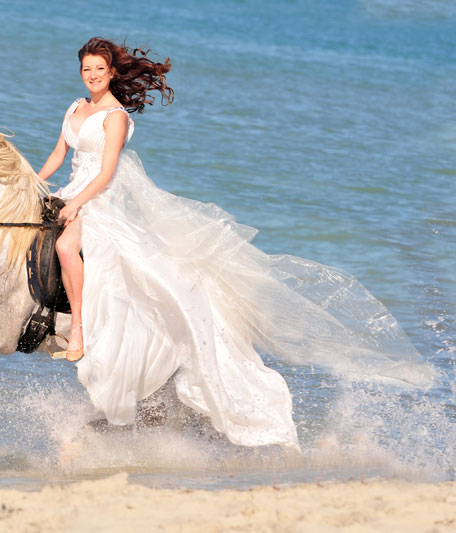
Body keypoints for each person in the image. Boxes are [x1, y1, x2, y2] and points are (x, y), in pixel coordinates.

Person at [37, 37, 433, 449]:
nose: (93, 75)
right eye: (87, 69)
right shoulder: (74, 108)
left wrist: (77, 203)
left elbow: (104, 174)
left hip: (99, 199)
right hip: (70, 189)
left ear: (112, 72)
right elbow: (57, 154)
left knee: (67, 248)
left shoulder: (114, 117)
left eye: (100, 69)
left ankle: (79, 329)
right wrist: (35, 180)